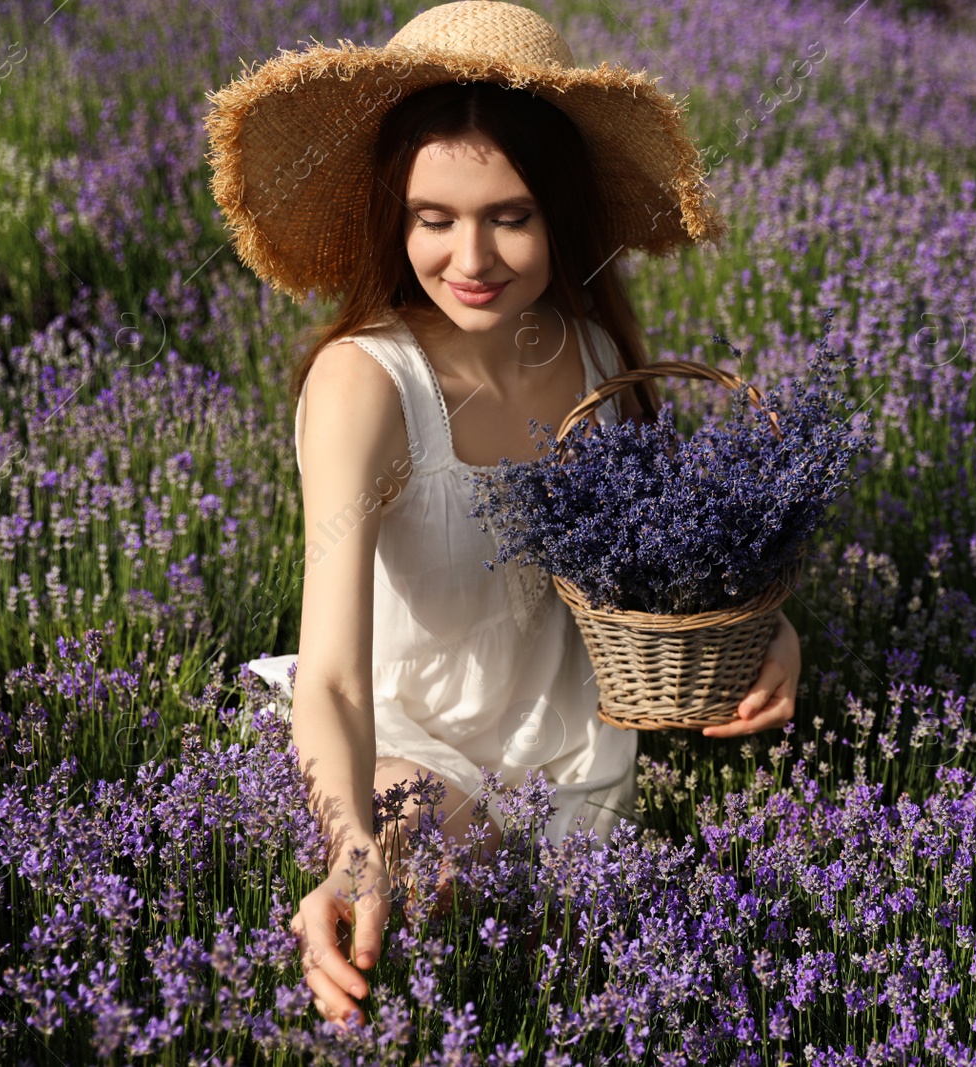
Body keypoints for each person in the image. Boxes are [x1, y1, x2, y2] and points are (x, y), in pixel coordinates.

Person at [202, 1, 803, 1029]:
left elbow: (642, 573)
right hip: (405, 741)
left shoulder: (594, 358)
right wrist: (351, 846)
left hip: (573, 760)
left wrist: (765, 630)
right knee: (422, 872)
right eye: (433, 218)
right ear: (394, 219)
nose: (468, 256)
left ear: (556, 215)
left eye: (508, 216)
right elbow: (337, 676)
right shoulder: (367, 384)